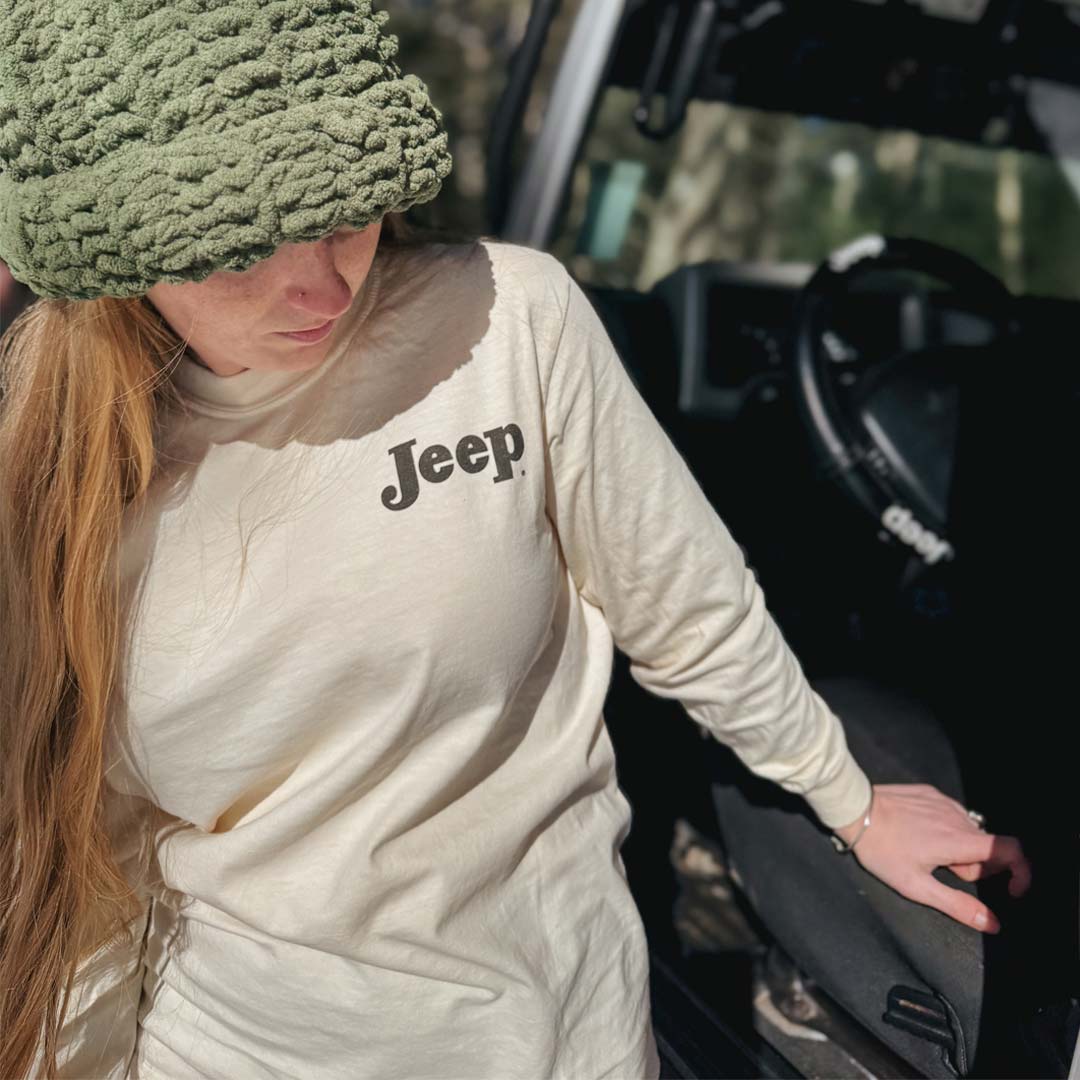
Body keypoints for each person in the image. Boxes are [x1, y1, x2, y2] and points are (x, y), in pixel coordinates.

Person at [0, 2, 1032, 1078]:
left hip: (556, 1037)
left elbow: (685, 603)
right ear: (117, 260)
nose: (314, 287)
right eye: (233, 252)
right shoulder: (54, 484)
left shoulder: (509, 323)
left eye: (341, 213)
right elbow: (76, 862)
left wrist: (849, 797)